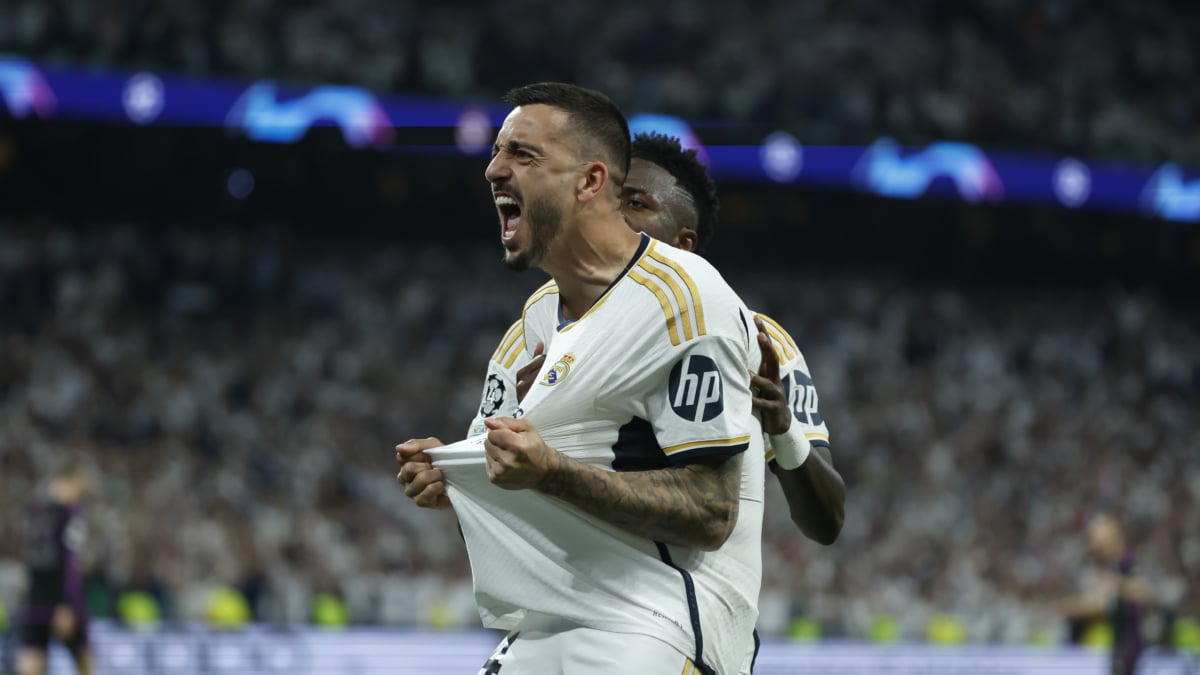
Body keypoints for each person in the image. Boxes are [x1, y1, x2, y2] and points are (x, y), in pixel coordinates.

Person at [397, 83, 764, 674]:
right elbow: (506, 484)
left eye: (523, 154)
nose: (494, 169)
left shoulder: (685, 296)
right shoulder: (527, 330)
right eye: (496, 151)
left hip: (646, 627)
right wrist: (455, 483)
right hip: (539, 628)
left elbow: (710, 510)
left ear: (590, 182)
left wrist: (550, 471)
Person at [470, 131, 845, 546]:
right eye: (609, 200)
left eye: (636, 203)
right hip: (551, 595)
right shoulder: (531, 328)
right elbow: (481, 499)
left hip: (665, 599)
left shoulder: (757, 339)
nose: (614, 215)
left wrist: (784, 429)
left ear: (684, 245)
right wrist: (447, 475)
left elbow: (826, 522)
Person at [17, 458, 92, 675]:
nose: (82, 491)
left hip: (35, 599)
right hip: (63, 603)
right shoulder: (70, 514)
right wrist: (65, 603)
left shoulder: (33, 512)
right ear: (71, 480)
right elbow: (69, 561)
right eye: (81, 484)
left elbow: (32, 562)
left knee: (30, 661)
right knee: (85, 659)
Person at [1055, 512, 1149, 675]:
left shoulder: (1127, 562)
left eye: (1102, 538)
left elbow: (1141, 590)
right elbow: (1099, 603)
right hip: (1119, 643)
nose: (1098, 545)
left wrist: (1114, 583)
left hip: (1129, 645)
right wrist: (1071, 607)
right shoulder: (1114, 566)